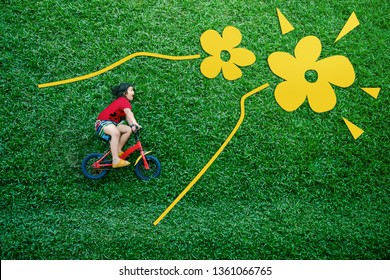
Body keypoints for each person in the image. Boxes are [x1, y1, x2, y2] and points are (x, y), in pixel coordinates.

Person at [95, 83, 141, 168]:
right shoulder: (123, 100)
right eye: (131, 90)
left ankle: (118, 150)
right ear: (124, 93)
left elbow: (128, 117)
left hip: (112, 124)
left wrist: (133, 126)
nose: (133, 92)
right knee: (115, 132)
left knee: (128, 129)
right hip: (102, 123)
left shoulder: (124, 103)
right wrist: (135, 123)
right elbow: (129, 113)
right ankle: (115, 160)